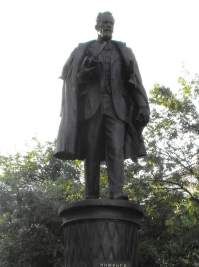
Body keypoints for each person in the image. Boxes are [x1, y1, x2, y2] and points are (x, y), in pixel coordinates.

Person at [55, 11, 150, 200]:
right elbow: (72, 78)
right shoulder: (84, 50)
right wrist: (84, 74)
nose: (108, 26)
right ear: (97, 26)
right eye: (104, 23)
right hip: (91, 109)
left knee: (115, 148)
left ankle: (117, 192)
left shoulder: (124, 51)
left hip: (116, 109)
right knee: (91, 151)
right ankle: (90, 194)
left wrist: (142, 105)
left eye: (111, 23)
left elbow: (135, 80)